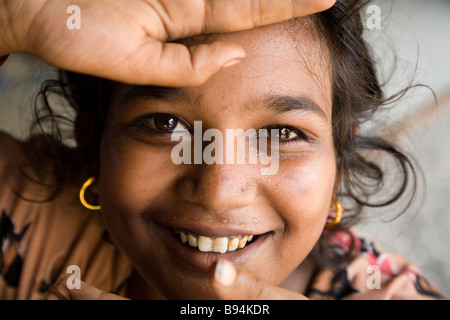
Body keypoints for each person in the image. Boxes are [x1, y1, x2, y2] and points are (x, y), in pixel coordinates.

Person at [0, 0, 446, 300]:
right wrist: (14, 20)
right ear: (93, 138)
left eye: (281, 134)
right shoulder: (22, 212)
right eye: (165, 124)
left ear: (339, 162)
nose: (218, 191)